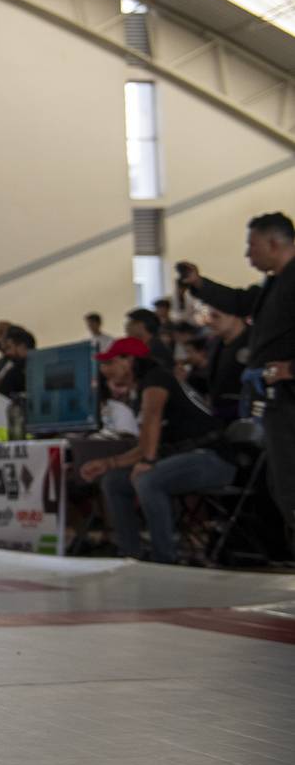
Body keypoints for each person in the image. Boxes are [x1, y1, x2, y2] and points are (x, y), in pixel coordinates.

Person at [179, 212, 295, 543]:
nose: (247, 255)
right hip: (275, 398)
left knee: (291, 485)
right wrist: (199, 284)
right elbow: (241, 301)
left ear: (274, 243)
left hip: (288, 395)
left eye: (252, 246)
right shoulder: (276, 283)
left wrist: (290, 369)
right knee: (282, 485)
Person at [80, 338, 235, 563]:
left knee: (148, 479)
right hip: (186, 457)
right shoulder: (142, 389)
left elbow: (152, 419)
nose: (104, 370)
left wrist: (148, 461)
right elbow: (146, 444)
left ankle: (165, 559)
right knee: (113, 481)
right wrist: (109, 464)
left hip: (213, 458)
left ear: (129, 360)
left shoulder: (156, 379)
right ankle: (130, 553)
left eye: (110, 363)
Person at [0, 326, 33, 398]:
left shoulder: (18, 369)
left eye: (9, 347)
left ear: (22, 346)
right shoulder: (13, 367)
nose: (7, 353)